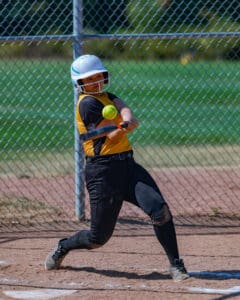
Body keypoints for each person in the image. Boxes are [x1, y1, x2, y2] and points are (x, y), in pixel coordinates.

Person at [44, 54, 189, 281]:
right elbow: (109, 138)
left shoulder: (105, 97)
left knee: (159, 210)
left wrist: (127, 118)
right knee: (97, 238)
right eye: (89, 79)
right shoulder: (89, 104)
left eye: (98, 76)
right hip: (103, 173)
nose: (95, 82)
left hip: (128, 166)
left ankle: (176, 265)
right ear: (79, 83)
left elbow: (123, 107)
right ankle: (64, 246)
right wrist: (122, 128)